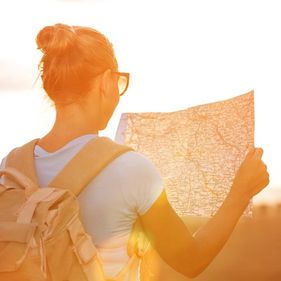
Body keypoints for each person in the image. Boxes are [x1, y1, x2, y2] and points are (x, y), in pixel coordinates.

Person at [0, 23, 269, 280]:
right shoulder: (131, 169)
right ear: (107, 82)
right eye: (119, 82)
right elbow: (191, 260)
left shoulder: (9, 168)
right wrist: (240, 192)